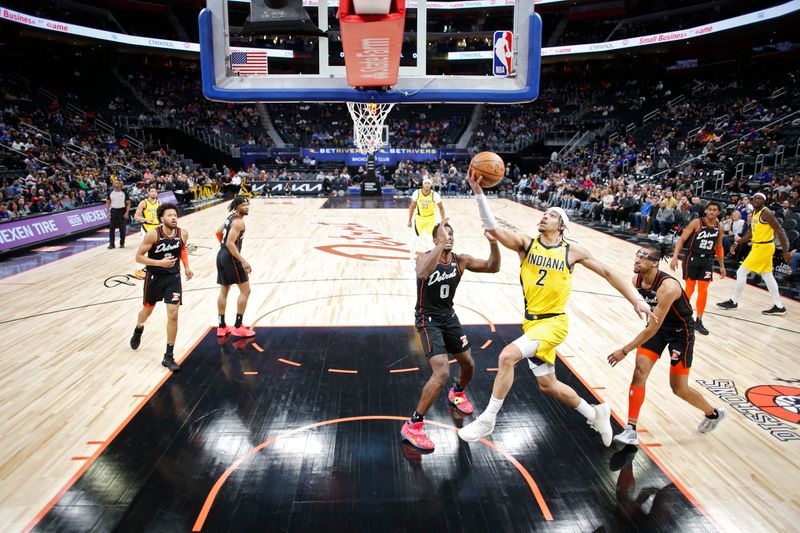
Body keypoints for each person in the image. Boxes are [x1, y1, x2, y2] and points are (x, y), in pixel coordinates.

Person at [457, 170, 653, 446]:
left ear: (562, 225)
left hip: (554, 324)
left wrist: (636, 299)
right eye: (544, 213)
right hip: (532, 323)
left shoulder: (572, 252)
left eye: (551, 214)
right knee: (548, 385)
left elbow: (609, 273)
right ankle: (594, 412)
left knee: (506, 357)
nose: (544, 216)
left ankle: (488, 418)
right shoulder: (526, 244)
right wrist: (479, 193)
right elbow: (495, 229)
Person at [608, 244, 726, 446]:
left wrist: (624, 350)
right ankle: (631, 429)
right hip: (658, 328)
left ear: (655, 263)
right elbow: (653, 322)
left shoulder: (668, 287)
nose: (637, 260)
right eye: (637, 256)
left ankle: (713, 413)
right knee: (639, 371)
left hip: (681, 333)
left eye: (643, 258)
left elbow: (652, 327)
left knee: (678, 388)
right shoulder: (636, 279)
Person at [400, 220, 501, 451]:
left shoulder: (460, 260)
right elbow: (423, 272)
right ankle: (413, 425)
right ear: (435, 239)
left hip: (449, 317)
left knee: (468, 364)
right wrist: (439, 246)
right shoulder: (424, 258)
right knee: (442, 372)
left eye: (452, 234)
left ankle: (457, 393)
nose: (450, 237)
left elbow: (493, 267)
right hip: (428, 320)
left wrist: (494, 244)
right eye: (445, 234)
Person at [129, 203, 193, 371]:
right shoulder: (152, 235)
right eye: (169, 215)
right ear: (162, 218)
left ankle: (168, 356)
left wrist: (186, 266)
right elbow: (139, 257)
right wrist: (159, 263)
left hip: (173, 278)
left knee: (173, 315)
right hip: (154, 278)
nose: (173, 217)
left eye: (175, 215)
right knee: (147, 311)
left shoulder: (183, 234)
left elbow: (182, 249)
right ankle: (139, 327)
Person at [717, 192, 793, 315]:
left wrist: (785, 251)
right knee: (767, 276)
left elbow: (779, 230)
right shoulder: (754, 213)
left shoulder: (766, 213)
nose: (756, 199)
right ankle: (779, 306)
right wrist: (738, 243)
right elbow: (751, 232)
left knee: (741, 271)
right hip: (758, 246)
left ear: (764, 201)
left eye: (760, 198)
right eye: (755, 198)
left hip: (764, 247)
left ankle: (733, 301)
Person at [669, 201, 726, 335]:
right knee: (689, 289)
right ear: (706, 210)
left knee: (703, 290)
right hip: (692, 258)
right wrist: (675, 256)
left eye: (715, 210)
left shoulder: (719, 226)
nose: (712, 212)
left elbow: (719, 247)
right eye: (710, 209)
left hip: (707, 260)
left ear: (718, 213)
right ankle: (682, 317)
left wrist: (722, 266)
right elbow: (682, 239)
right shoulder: (696, 222)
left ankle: (698, 320)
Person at [215, 196, 255, 338]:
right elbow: (230, 243)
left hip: (221, 255)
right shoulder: (238, 222)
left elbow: (218, 232)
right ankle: (238, 326)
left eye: (247, 205)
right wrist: (243, 261)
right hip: (230, 257)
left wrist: (223, 247)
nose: (246, 207)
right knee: (246, 290)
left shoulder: (230, 218)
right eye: (243, 205)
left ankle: (221, 327)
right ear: (236, 206)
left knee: (224, 291)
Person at [407, 174, 445, 261]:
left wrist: (443, 221)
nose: (427, 185)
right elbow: (412, 207)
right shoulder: (416, 193)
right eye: (425, 183)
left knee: (430, 240)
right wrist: (409, 220)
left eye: (428, 183)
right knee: (414, 239)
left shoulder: (435, 195)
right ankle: (411, 258)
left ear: (430, 185)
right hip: (419, 219)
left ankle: (432, 259)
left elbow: (441, 208)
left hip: (430, 219)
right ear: (423, 184)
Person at [133, 185, 160, 279]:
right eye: (151, 191)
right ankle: (138, 270)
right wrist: (145, 219)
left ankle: (152, 267)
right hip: (146, 228)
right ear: (148, 192)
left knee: (156, 249)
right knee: (143, 250)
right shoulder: (143, 203)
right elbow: (136, 216)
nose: (153, 193)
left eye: (155, 191)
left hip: (156, 228)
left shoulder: (159, 203)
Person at [106, 180, 130, 249]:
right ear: (113, 184)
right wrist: (107, 212)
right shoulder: (110, 192)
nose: (117, 184)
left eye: (118, 183)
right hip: (113, 210)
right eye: (115, 183)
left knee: (122, 228)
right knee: (111, 228)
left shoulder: (124, 192)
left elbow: (128, 203)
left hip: (122, 210)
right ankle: (111, 244)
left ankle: (122, 243)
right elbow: (107, 203)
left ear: (120, 184)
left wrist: (127, 212)